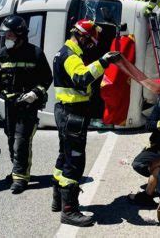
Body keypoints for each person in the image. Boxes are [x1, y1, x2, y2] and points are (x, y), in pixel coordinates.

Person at [52, 19, 121, 227]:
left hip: (65, 111)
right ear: (81, 36)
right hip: (73, 113)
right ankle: (69, 210)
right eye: (89, 42)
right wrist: (104, 61)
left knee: (64, 157)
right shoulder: (70, 56)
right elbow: (81, 78)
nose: (89, 46)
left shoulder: (63, 52)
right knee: (74, 162)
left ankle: (58, 199)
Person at [0, 15, 52, 194]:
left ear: (20, 34)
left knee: (21, 141)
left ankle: (20, 178)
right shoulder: (1, 55)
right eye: (6, 36)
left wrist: (35, 93)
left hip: (28, 106)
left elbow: (47, 78)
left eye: (10, 35)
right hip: (10, 106)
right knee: (12, 139)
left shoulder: (35, 53)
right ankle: (17, 171)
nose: (7, 39)